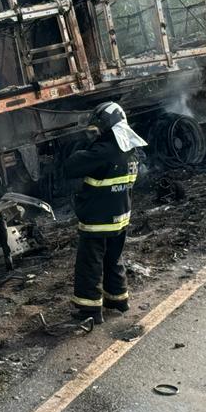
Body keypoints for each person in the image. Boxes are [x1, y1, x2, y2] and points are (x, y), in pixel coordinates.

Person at [63, 102, 147, 326]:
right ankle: (118, 300)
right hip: (120, 217)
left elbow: (70, 167)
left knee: (89, 265)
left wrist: (81, 148)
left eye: (99, 127)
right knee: (113, 259)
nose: (97, 132)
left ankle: (89, 311)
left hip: (98, 221)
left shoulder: (104, 150)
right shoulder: (130, 149)